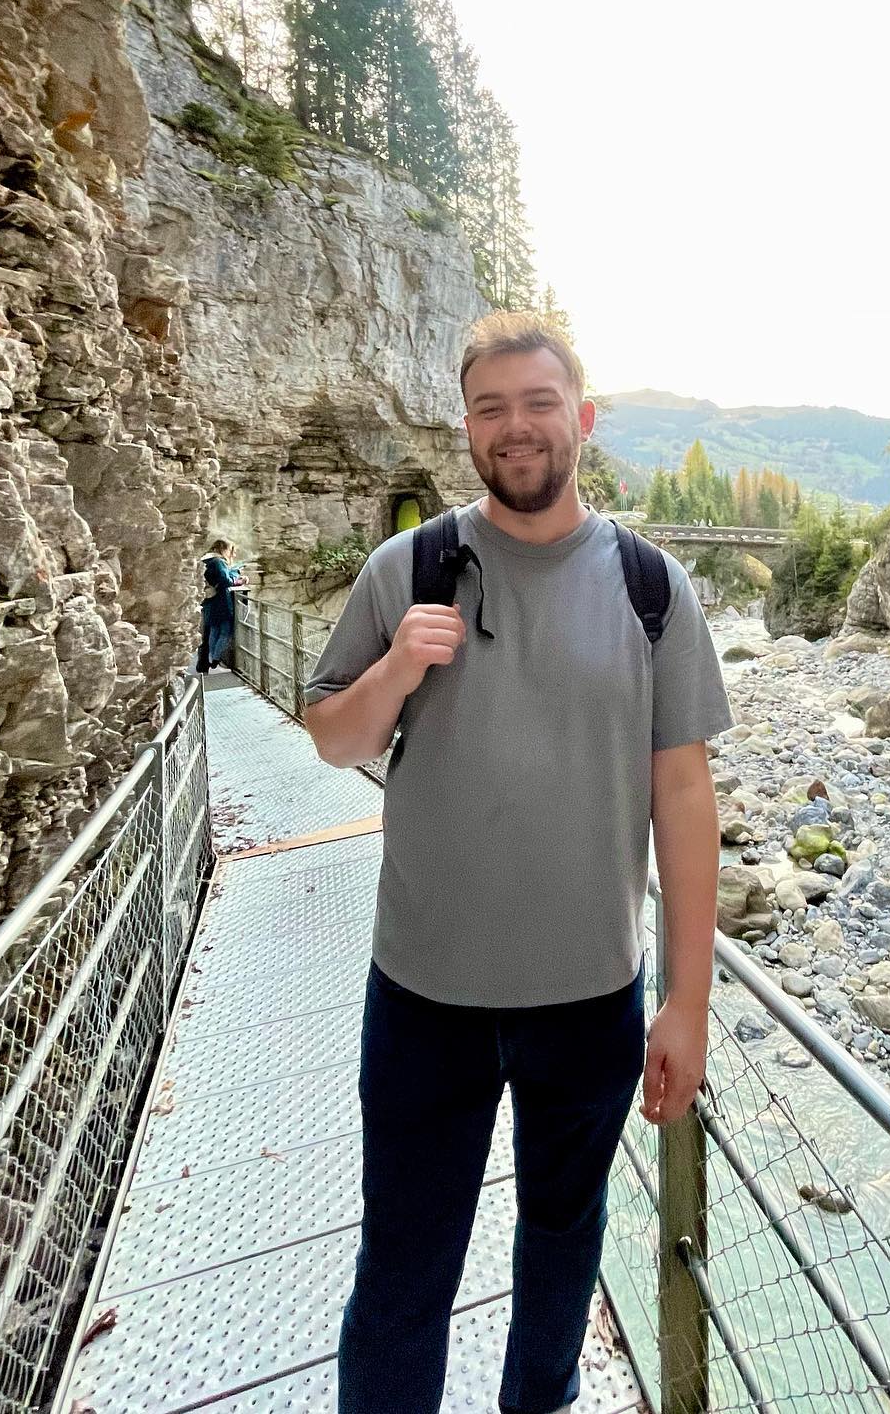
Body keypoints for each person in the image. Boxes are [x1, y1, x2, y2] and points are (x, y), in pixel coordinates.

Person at [302, 311, 732, 1414]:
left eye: (539, 403)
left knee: (560, 1257)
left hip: (590, 1001)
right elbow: (336, 737)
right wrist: (397, 665)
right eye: (491, 409)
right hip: (424, 998)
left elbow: (683, 798)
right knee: (402, 1270)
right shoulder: (411, 567)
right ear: (468, 431)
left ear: (582, 421)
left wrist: (687, 1003)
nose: (517, 427)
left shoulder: (651, 588)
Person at [195, 537, 243, 674]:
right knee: (225, 631)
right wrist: (236, 578)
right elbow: (224, 580)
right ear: (223, 549)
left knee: (213, 630)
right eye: (229, 550)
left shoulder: (206, 559)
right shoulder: (218, 561)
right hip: (221, 601)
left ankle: (209, 660)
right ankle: (215, 661)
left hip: (209, 601)